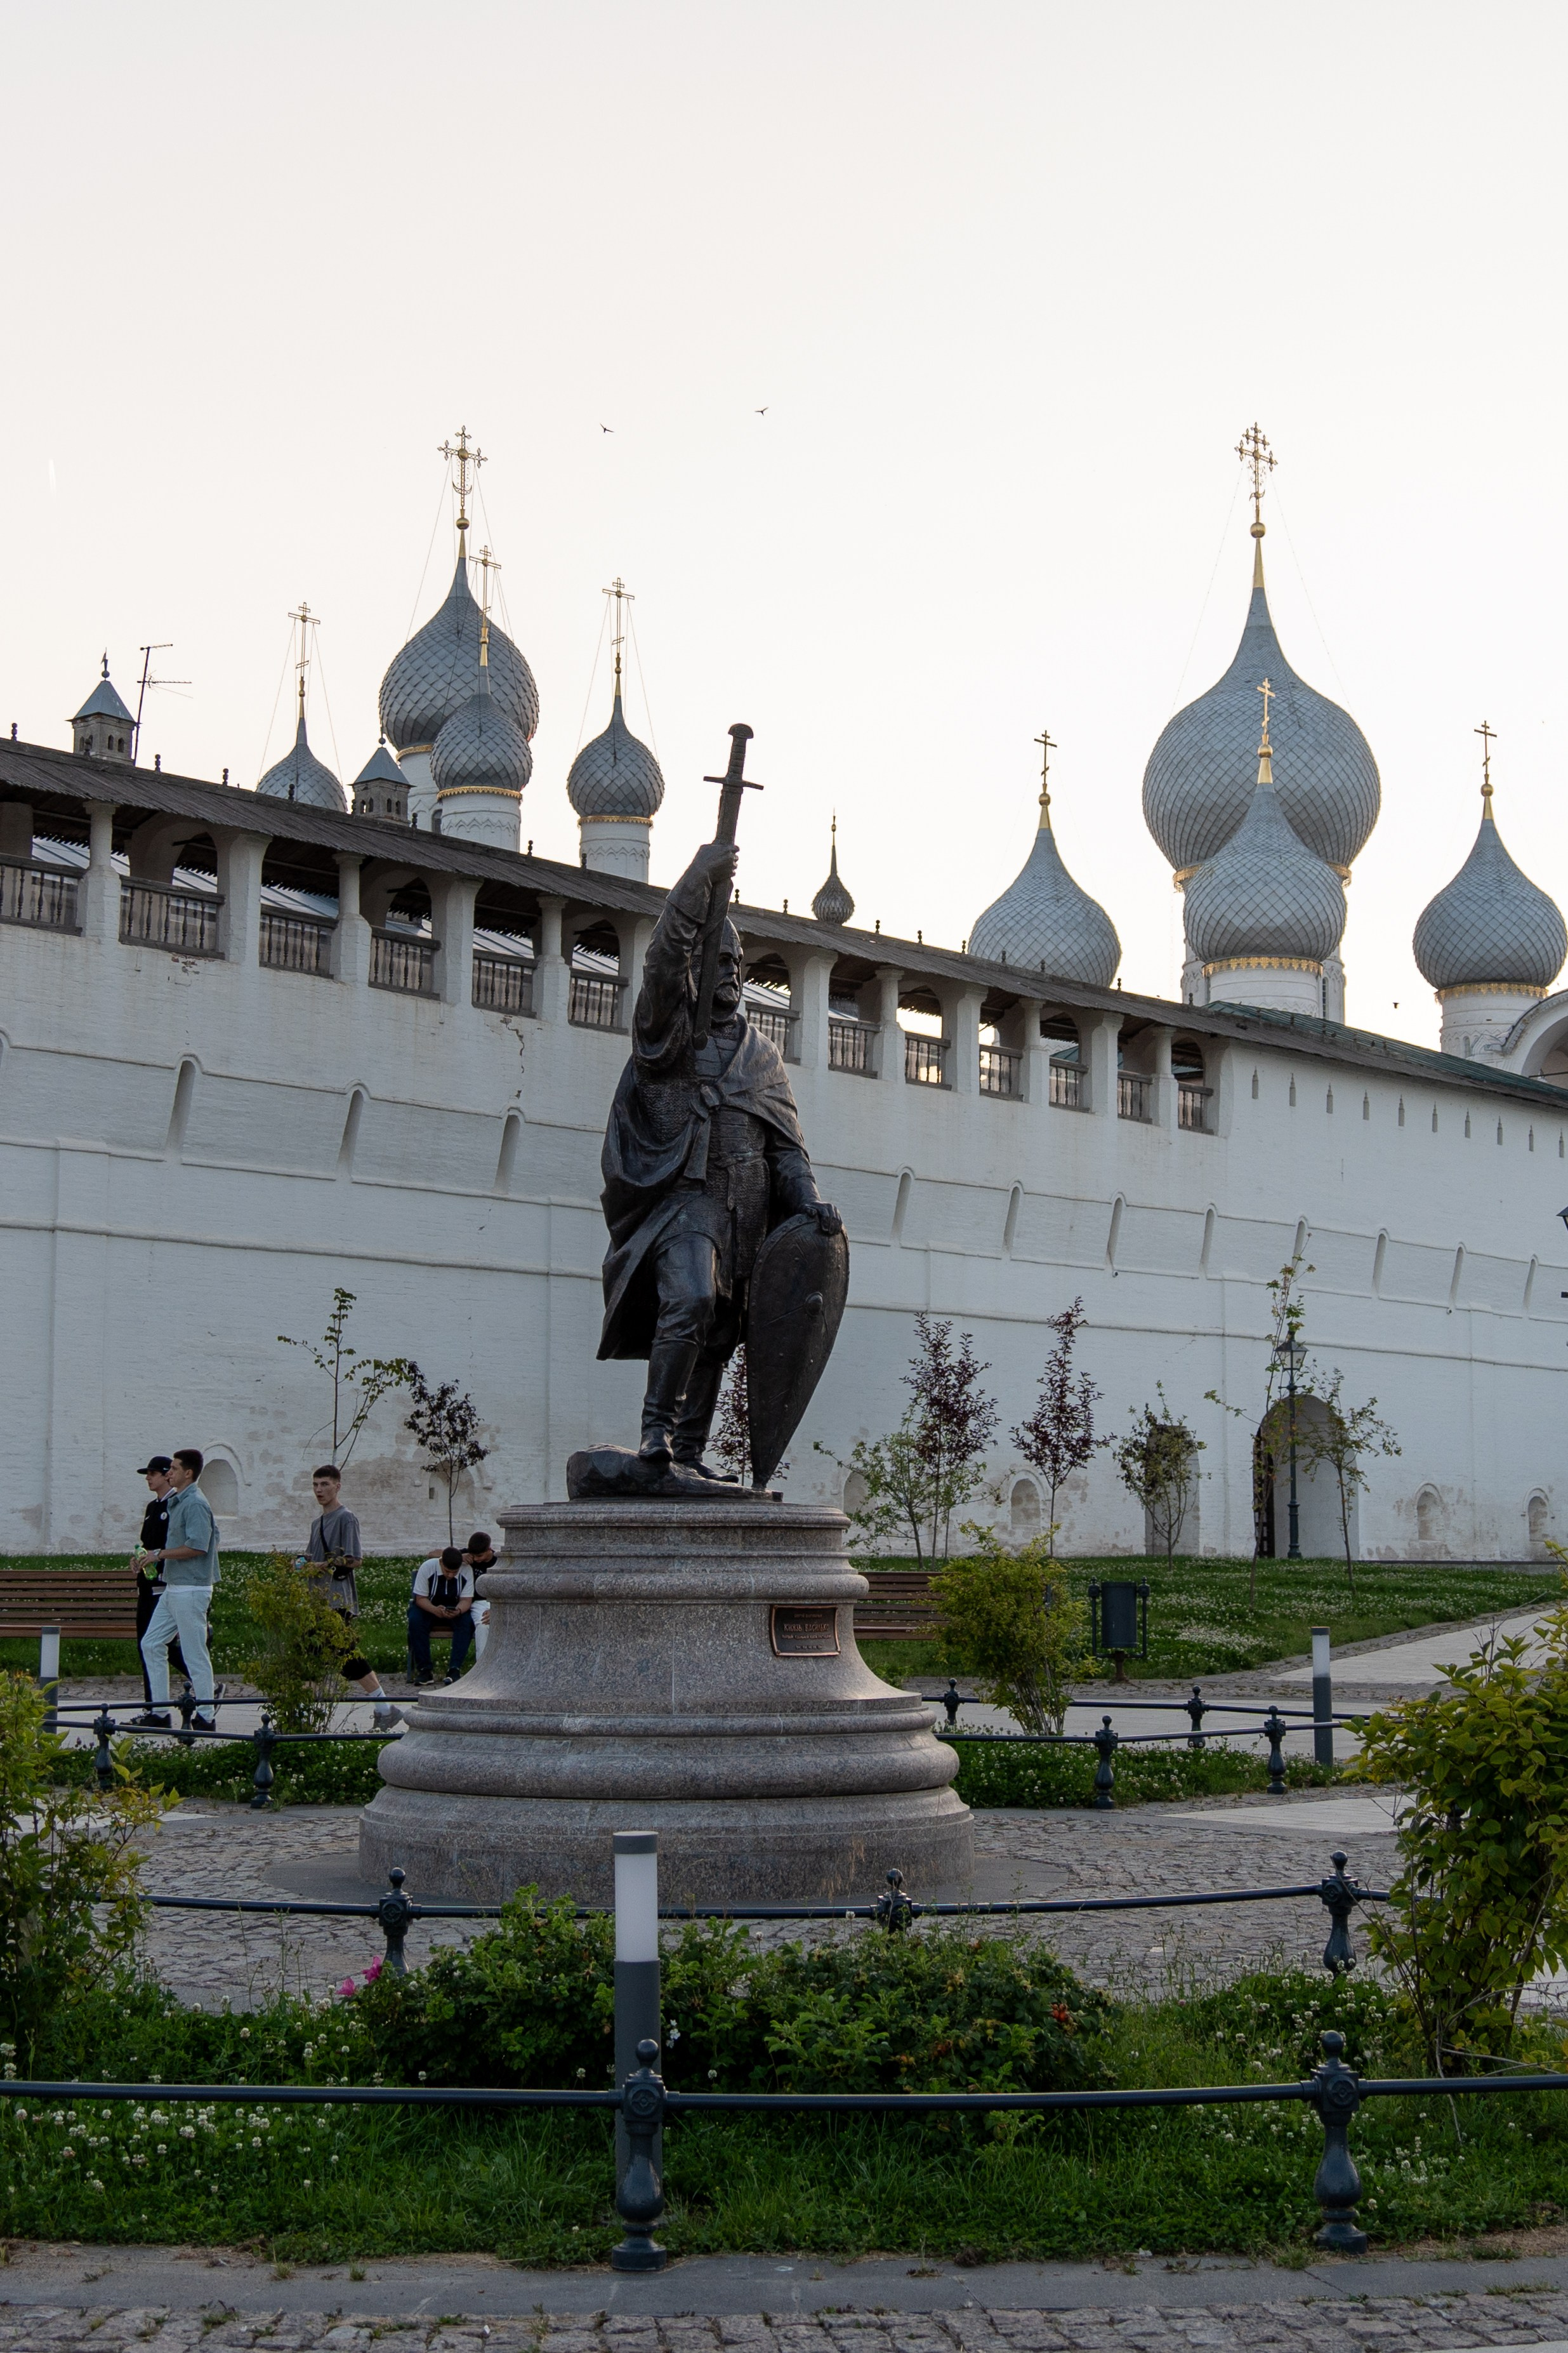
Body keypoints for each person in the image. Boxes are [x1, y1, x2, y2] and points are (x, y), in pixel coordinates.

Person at [597, 835, 841, 1474]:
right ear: (693, 969)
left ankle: (689, 1452)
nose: (729, 972)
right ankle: (655, 1433)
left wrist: (810, 1203)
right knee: (692, 1300)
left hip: (747, 1213)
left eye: (735, 962)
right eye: (716, 960)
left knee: (720, 1331)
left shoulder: (762, 1056)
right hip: (685, 1200)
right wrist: (694, 885)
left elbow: (787, 1150)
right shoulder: (667, 1038)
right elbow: (658, 963)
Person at [301, 1466, 402, 1730]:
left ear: (337, 1486)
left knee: (339, 1655)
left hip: (337, 1599)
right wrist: (299, 1563)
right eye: (315, 1485)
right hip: (317, 1599)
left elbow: (355, 1559)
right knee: (322, 1654)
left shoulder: (347, 1518)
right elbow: (311, 1555)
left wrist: (321, 1566)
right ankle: (382, 1708)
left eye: (324, 1485)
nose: (319, 1490)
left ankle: (304, 1713)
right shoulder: (317, 1522)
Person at [134, 1448, 219, 1732]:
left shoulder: (195, 1503)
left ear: (188, 1473)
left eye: (173, 1468)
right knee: (152, 1643)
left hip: (192, 1589)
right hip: (175, 1587)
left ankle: (206, 1716)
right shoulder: (179, 1502)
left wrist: (159, 1554)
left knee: (195, 1653)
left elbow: (198, 1546)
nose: (168, 1472)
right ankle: (159, 1712)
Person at [133, 1456, 185, 1706]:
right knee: (146, 1643)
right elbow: (147, 1543)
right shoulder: (152, 1508)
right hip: (147, 1581)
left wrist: (158, 1558)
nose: (148, 1478)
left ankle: (203, 1683)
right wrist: (139, 1558)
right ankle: (152, 1704)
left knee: (158, 1641)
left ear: (167, 1475)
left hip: (164, 1582)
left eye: (153, 1473)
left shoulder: (174, 1505)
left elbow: (173, 1543)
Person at [407, 1546, 475, 1683]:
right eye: (447, 1571)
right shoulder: (427, 1567)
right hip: (428, 1606)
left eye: (454, 1572)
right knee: (415, 1621)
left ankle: (454, 1669)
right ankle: (425, 1670)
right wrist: (434, 1610)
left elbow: (466, 1600)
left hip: (454, 1607)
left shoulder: (467, 1571)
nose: (450, 1575)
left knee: (467, 1624)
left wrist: (459, 1610)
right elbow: (420, 1599)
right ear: (441, 1563)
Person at [463, 1529, 498, 1659]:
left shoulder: (499, 1562)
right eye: (474, 1556)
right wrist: (459, 1557)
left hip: (496, 1603)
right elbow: (434, 1554)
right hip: (477, 1603)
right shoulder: (469, 1556)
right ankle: (482, 1665)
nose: (476, 1560)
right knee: (483, 1625)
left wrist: (495, 1610)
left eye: (480, 1556)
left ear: (489, 1549)